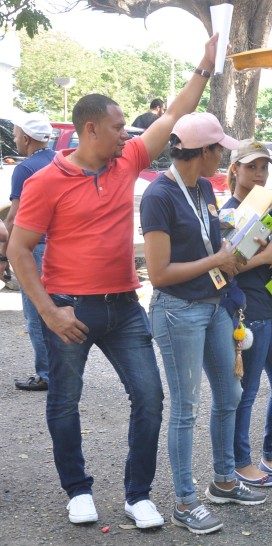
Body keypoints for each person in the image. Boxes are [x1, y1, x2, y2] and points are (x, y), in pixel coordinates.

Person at [7, 34, 222, 529]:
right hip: (69, 308)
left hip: (124, 306)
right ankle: (77, 490)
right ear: (89, 130)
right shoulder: (45, 182)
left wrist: (205, 68)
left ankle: (137, 494)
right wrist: (49, 312)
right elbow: (18, 250)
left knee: (149, 398)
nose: (128, 134)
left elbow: (173, 116)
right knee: (64, 400)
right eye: (118, 126)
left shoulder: (126, 160)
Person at [141, 113, 266, 535]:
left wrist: (238, 249)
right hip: (178, 310)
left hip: (213, 305)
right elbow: (159, 274)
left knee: (230, 391)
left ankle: (224, 480)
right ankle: (185, 501)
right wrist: (217, 259)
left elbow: (212, 245)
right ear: (204, 152)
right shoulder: (160, 195)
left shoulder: (203, 189)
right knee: (186, 407)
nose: (225, 159)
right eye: (221, 151)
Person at [223, 139, 272, 488]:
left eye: (264, 167)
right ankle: (240, 461)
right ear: (235, 169)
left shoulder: (266, 211)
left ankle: (271, 455)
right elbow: (224, 269)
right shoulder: (228, 214)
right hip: (247, 311)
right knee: (249, 390)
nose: (258, 173)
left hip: (270, 307)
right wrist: (269, 258)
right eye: (251, 166)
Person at [0, 112, 55, 391]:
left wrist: (3, 254)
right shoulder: (61, 160)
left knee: (35, 312)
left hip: (33, 248)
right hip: (61, 247)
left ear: (27, 138)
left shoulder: (25, 169)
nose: (14, 138)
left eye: (16, 133)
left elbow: (14, 218)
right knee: (57, 307)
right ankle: (61, 370)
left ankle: (46, 374)